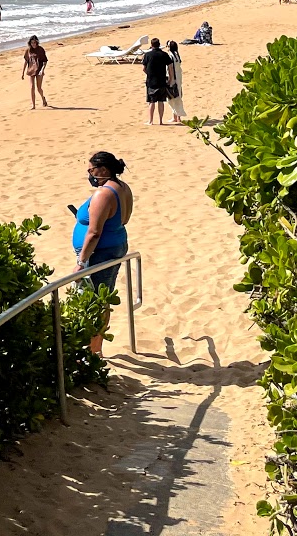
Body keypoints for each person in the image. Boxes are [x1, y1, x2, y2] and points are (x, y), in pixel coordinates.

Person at [72, 152, 132, 355]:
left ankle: (93, 350)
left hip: (100, 253)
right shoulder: (123, 187)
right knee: (102, 299)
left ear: (103, 170)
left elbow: (95, 232)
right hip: (115, 245)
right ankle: (95, 348)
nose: (90, 175)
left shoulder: (104, 193)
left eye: (91, 170)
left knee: (95, 301)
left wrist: (81, 261)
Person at [141, 37, 172, 124]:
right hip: (162, 80)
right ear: (159, 45)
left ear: (151, 45)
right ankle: (161, 121)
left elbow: (143, 68)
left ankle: (150, 121)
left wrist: (149, 74)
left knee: (151, 101)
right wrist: (170, 78)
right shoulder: (164, 54)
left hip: (151, 81)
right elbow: (170, 67)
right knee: (161, 101)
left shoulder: (147, 55)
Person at [21, 35, 49, 109]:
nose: (33, 44)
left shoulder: (40, 50)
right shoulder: (28, 50)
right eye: (32, 43)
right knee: (32, 87)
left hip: (39, 70)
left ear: (37, 42)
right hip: (31, 70)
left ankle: (43, 98)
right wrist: (23, 72)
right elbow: (26, 61)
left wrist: (43, 70)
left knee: (39, 88)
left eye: (34, 42)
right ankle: (33, 105)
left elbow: (45, 61)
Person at [166, 39, 187, 123]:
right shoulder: (176, 55)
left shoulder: (171, 56)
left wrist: (170, 79)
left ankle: (176, 117)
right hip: (178, 78)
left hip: (174, 79)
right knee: (177, 97)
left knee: (173, 98)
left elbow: (171, 69)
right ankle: (177, 116)